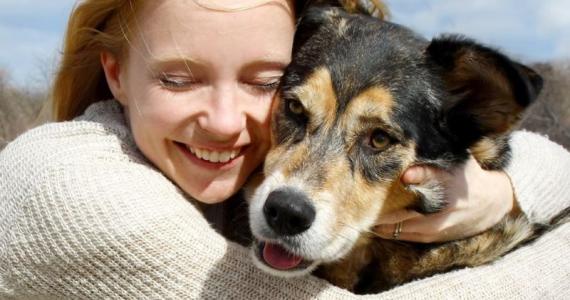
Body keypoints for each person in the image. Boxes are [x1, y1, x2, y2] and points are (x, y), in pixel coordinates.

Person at [0, 0, 568, 298]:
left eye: (378, 139)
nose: (225, 123)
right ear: (117, 76)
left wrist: (505, 191)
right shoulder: (67, 187)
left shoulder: (231, 169)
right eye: (295, 109)